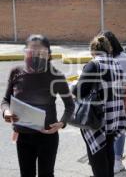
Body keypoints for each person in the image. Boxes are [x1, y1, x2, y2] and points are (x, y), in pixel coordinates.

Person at [1, 34, 75, 177]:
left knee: (46, 174)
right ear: (25, 52)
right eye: (31, 52)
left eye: (40, 53)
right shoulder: (16, 72)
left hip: (47, 136)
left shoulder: (56, 76)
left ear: (48, 55)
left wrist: (61, 123)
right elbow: (5, 100)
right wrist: (7, 112)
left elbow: (70, 105)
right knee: (26, 174)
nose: (35, 56)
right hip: (23, 136)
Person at [72, 35, 126, 177]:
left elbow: (79, 91)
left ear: (92, 51)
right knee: (109, 150)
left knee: (97, 156)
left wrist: (72, 85)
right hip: (113, 116)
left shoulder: (93, 65)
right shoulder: (116, 64)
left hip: (97, 118)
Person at [100, 31, 126, 174]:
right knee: (107, 131)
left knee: (118, 130)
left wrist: (124, 103)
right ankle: (108, 159)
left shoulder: (123, 58)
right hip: (107, 100)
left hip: (121, 98)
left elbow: (125, 84)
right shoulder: (106, 58)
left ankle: (118, 161)